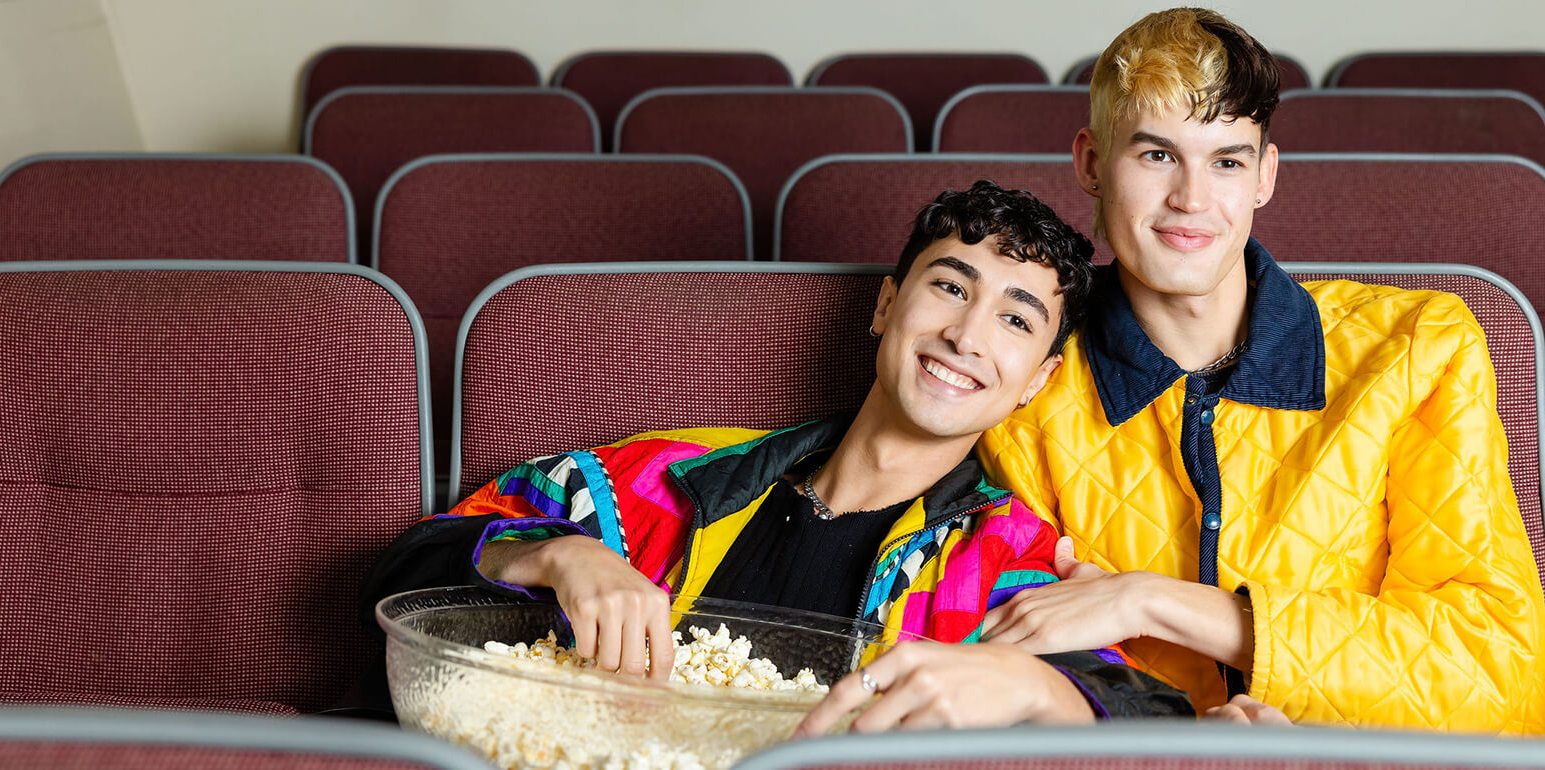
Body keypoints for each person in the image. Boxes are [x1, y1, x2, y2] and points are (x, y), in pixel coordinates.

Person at [362, 181, 1194, 729]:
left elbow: (1147, 722)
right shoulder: (665, 479)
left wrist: (1036, 687)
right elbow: (404, 569)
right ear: (886, 304)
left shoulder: (1005, 563)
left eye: (1016, 319)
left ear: (1035, 382)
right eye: (949, 285)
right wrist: (556, 553)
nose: (967, 335)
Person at [973, 7, 1545, 733]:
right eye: (1156, 155)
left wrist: (1154, 602)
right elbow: (1010, 662)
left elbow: (1502, 677)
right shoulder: (1030, 383)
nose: (1191, 198)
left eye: (1227, 161)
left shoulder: (1418, 348)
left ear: (1265, 176)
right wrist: (1185, 738)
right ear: (1090, 162)